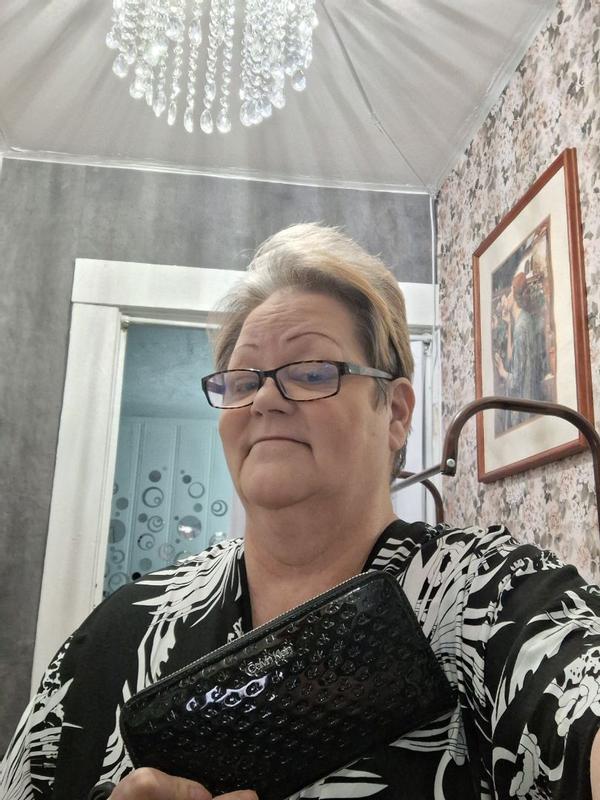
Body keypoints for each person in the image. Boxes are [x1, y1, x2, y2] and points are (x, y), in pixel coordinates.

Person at [2, 223, 600, 800]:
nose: (264, 399)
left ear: (395, 413)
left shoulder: (490, 596)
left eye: (311, 372)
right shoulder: (123, 628)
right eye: (242, 382)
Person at [494, 272, 544, 428]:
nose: (506, 297)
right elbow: (513, 358)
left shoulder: (521, 328)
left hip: (524, 409)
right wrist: (509, 324)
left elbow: (516, 381)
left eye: (510, 292)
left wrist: (502, 372)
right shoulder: (524, 320)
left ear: (515, 296)